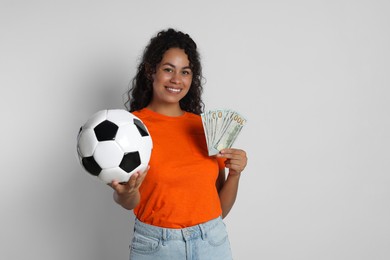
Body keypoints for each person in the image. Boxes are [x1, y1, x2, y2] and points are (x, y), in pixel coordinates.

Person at [110, 28, 247, 260]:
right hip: (156, 247)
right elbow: (128, 198)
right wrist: (126, 194)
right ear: (150, 71)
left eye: (185, 72)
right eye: (168, 69)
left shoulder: (204, 128)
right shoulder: (130, 128)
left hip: (213, 243)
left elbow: (219, 210)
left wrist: (235, 174)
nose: (176, 79)